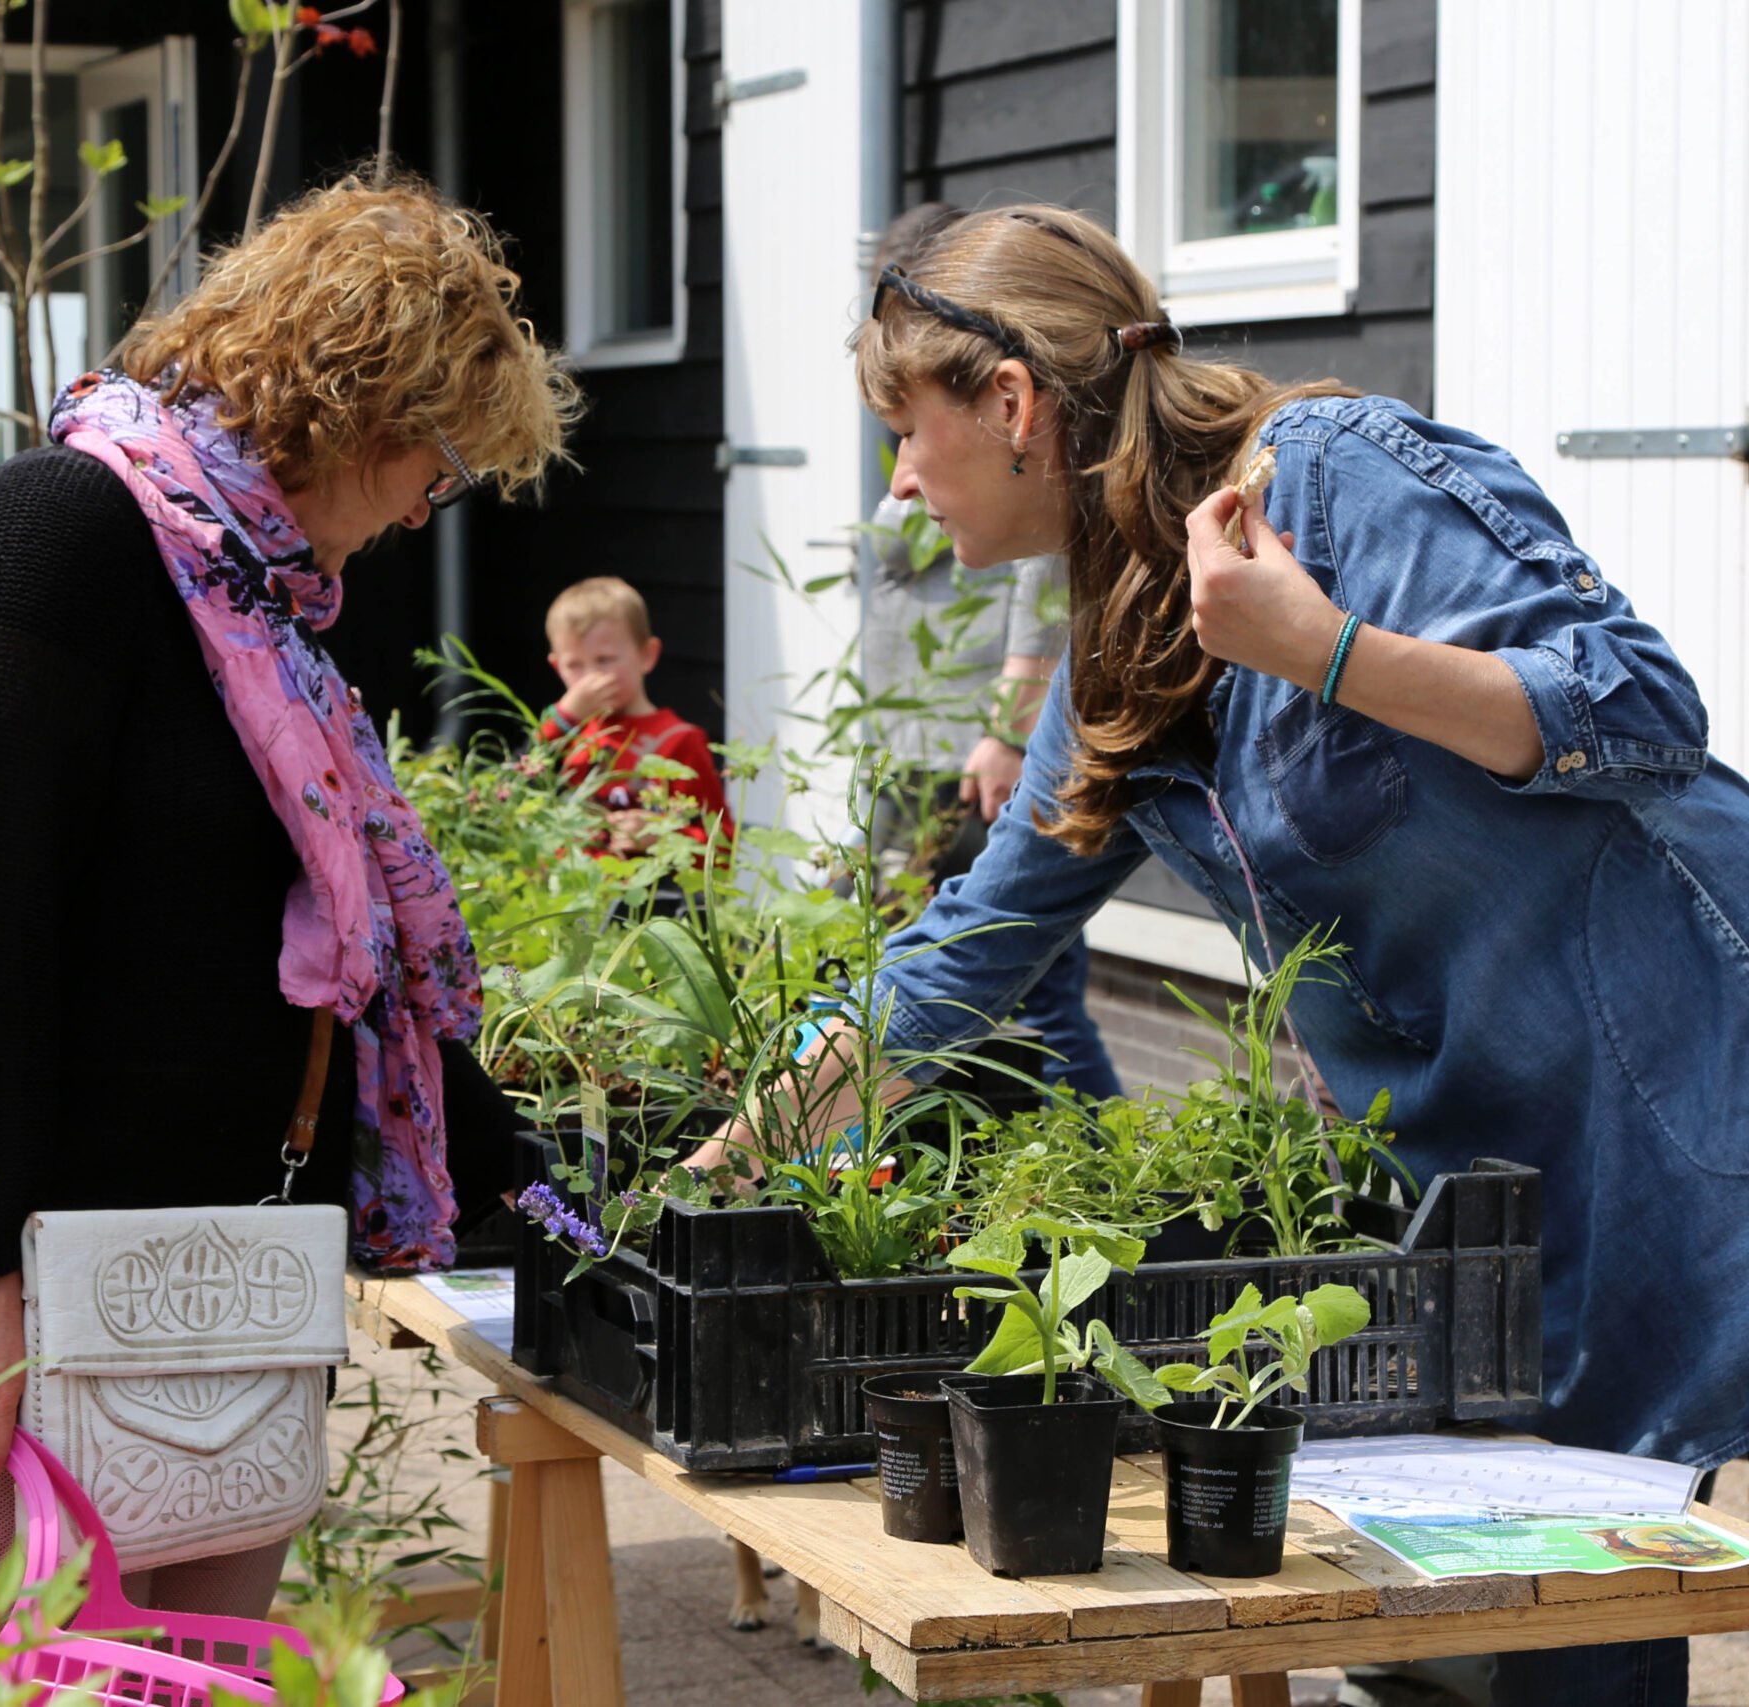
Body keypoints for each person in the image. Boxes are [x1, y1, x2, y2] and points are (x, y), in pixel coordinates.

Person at [696, 202, 1748, 1707]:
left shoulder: (1333, 474)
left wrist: (1324, 648)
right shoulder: (1114, 659)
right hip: (1496, 1175)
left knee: (1556, 1606)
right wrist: (730, 1165)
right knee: (1516, 1623)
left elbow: (1640, 708)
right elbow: (959, 956)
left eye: (904, 426)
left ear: (1011, 405)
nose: (900, 479)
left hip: (1693, 1068)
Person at [0, 176, 580, 1619]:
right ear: (362, 405)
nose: (424, 509)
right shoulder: (55, 540)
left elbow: (336, 981)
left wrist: (552, 1200)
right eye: (440, 463)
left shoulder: (251, 613)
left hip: (189, 1299)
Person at [858, 203, 1118, 1101]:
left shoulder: (1035, 466)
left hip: (971, 747)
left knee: (1033, 986)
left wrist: (1010, 730)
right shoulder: (941, 423)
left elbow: (1048, 584)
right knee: (933, 957)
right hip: (911, 748)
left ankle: (1098, 1131)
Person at [535, 575, 736, 854]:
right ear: (556, 666)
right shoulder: (565, 735)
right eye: (574, 665)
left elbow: (723, 847)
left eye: (604, 660)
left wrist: (662, 837)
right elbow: (515, 782)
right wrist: (563, 718)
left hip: (645, 894)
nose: (591, 678)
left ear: (647, 655)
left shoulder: (680, 741)